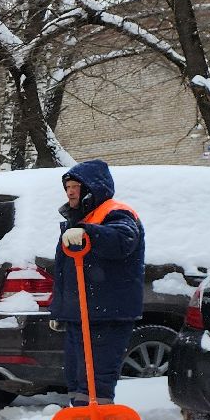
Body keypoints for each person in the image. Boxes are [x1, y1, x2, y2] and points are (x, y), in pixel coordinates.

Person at [51, 159, 145, 406]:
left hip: (107, 313)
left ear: (92, 188)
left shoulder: (116, 212)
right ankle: (82, 418)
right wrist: (61, 310)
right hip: (81, 313)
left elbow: (123, 240)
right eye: (67, 187)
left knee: (97, 379)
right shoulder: (80, 220)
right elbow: (65, 271)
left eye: (75, 187)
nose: (70, 192)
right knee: (76, 378)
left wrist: (90, 233)